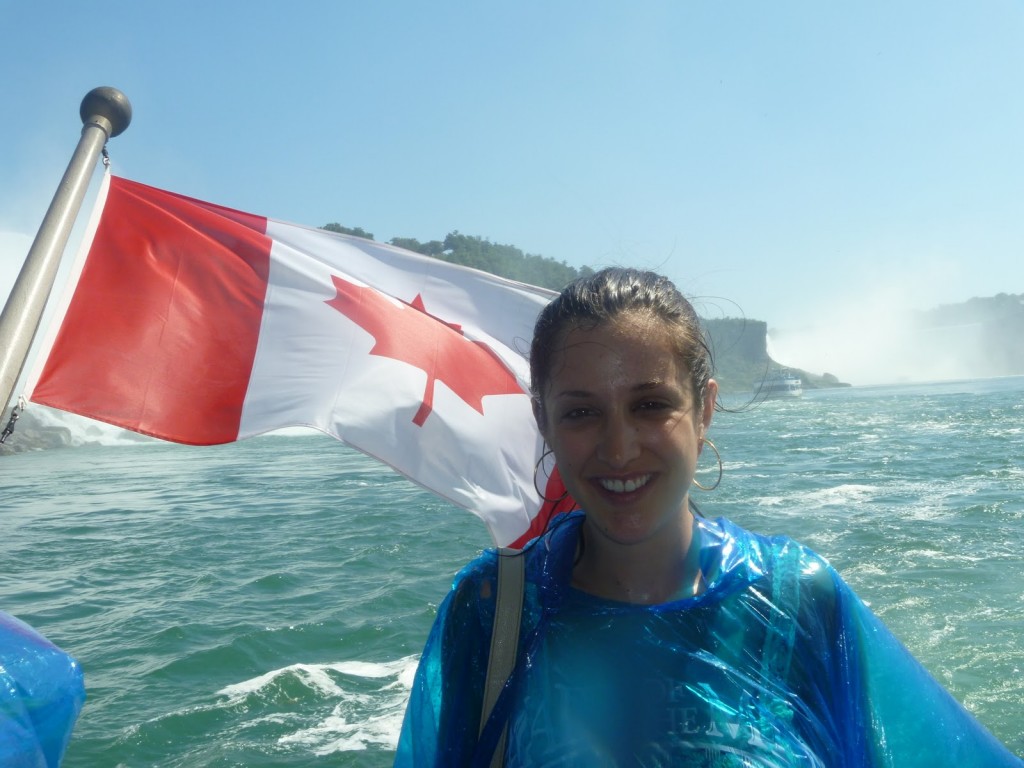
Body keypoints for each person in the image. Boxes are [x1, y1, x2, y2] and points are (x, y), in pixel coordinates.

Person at [394, 267, 1023, 767]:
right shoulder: (495, 610)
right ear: (544, 421)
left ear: (705, 409)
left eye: (649, 404)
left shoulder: (794, 604)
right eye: (582, 412)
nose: (618, 449)